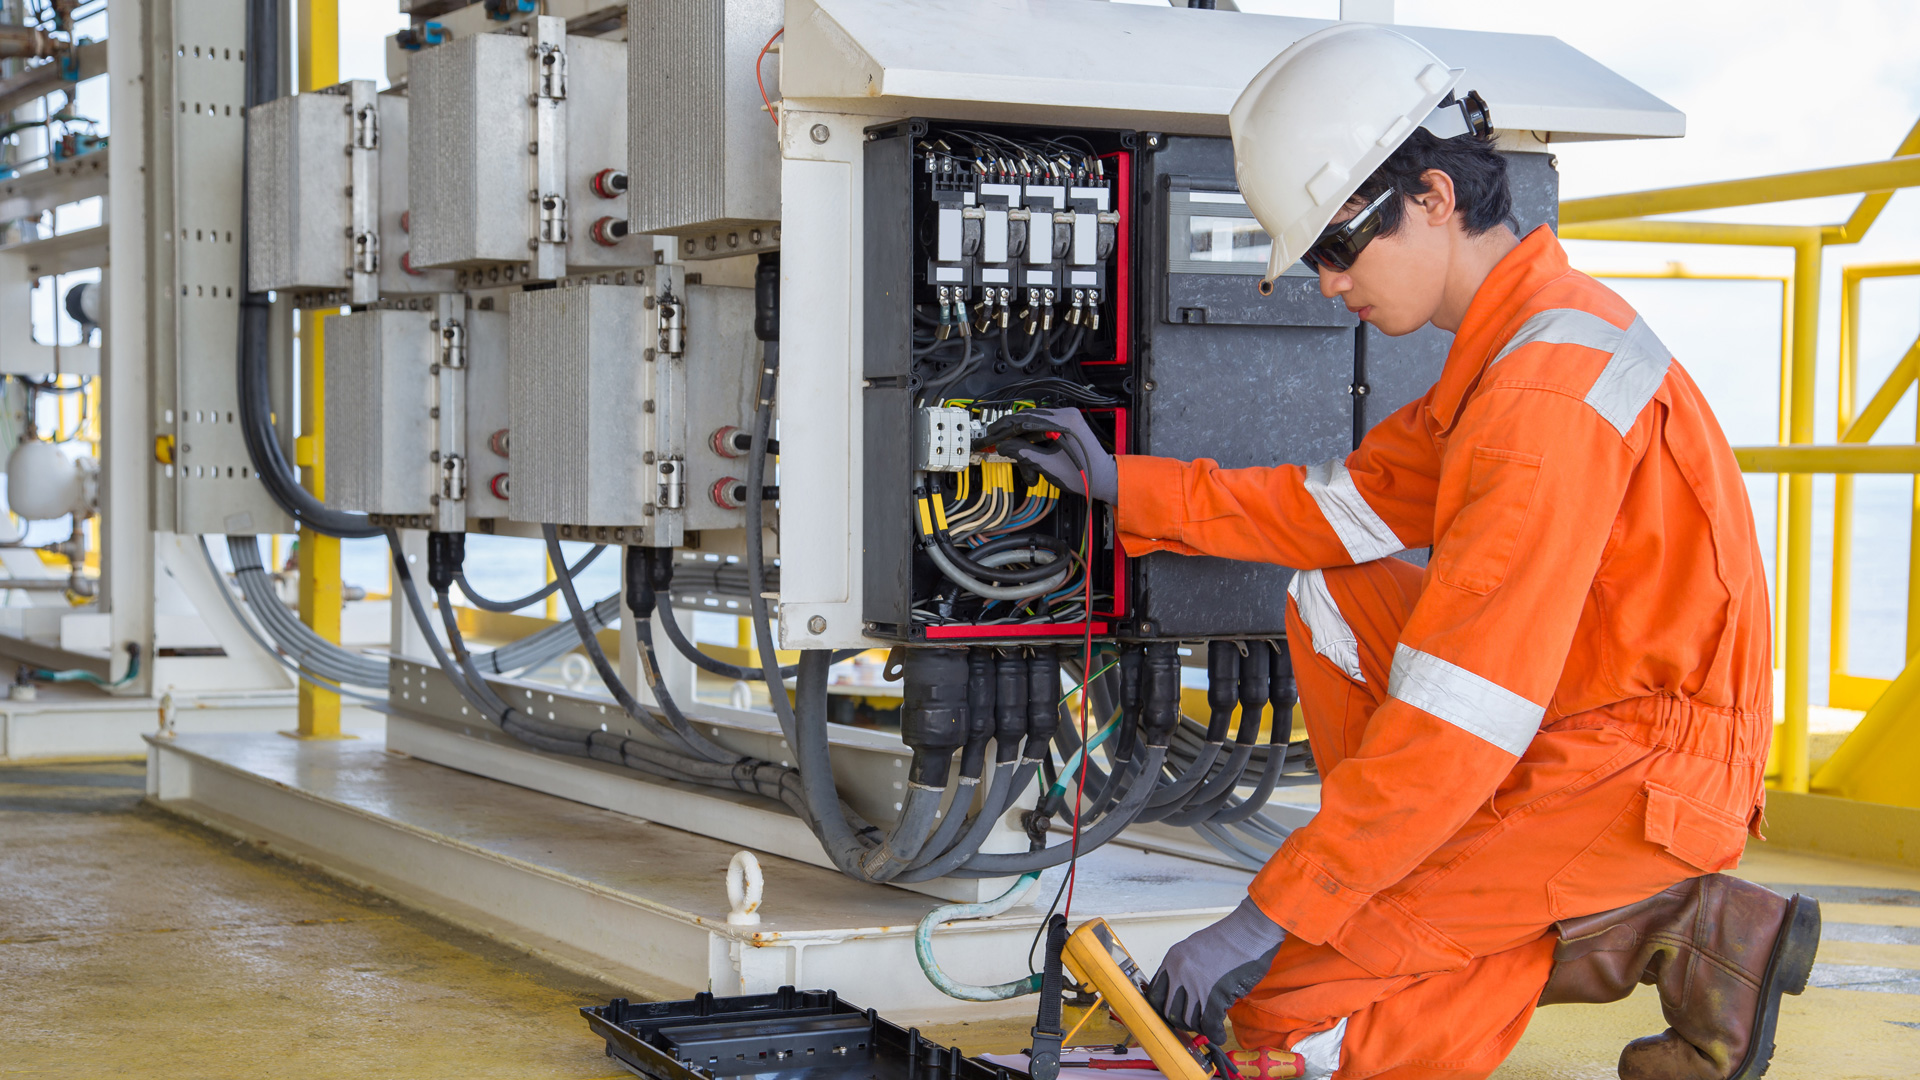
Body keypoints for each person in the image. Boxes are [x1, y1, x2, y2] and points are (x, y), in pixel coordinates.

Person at [996, 24, 1820, 1080]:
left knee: (1281, 1004)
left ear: (1432, 197)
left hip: (1638, 774)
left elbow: (1460, 712)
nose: (1328, 285)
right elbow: (1340, 513)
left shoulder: (1537, 397)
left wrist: (1269, 915)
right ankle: (1640, 924)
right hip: (1580, 721)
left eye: (1337, 250)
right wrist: (1127, 487)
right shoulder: (1518, 349)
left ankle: (1629, 915)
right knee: (1332, 596)